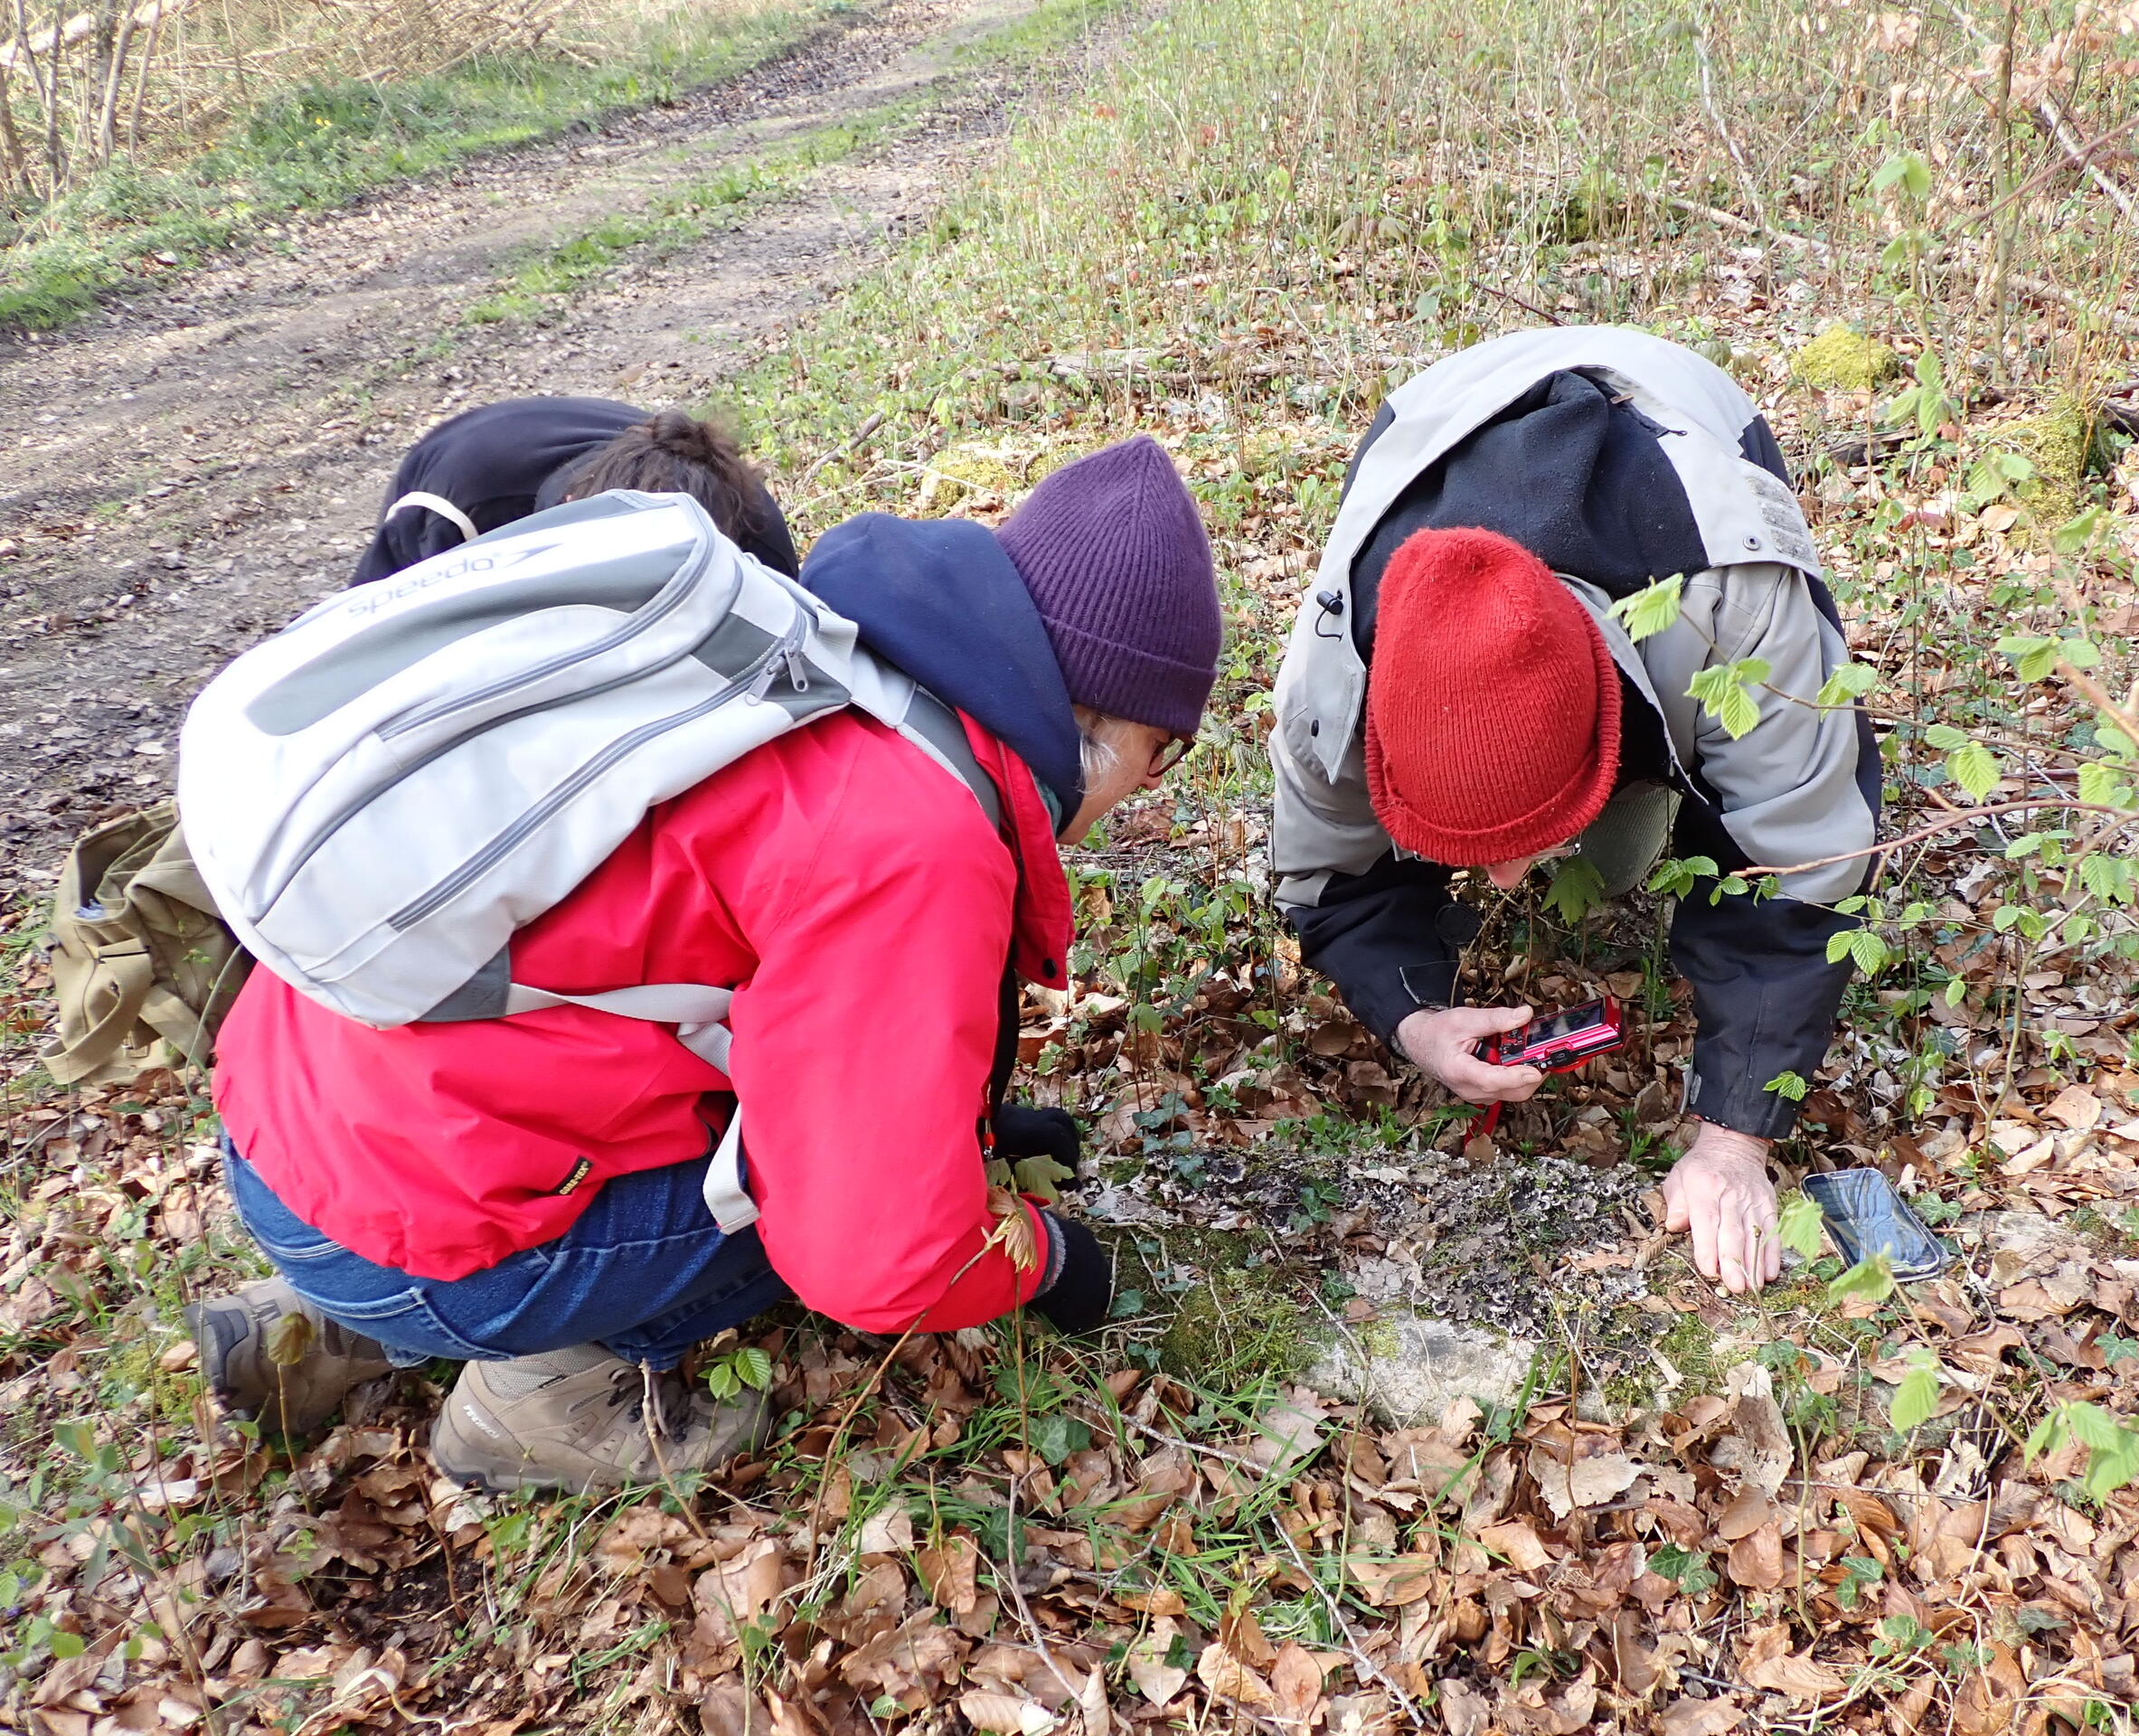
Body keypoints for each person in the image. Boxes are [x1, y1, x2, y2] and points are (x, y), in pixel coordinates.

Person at [189, 433, 1220, 1490]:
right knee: (803, 1202)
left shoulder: (820, 654)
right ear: (1097, 718)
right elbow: (877, 1252)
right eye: (1163, 752)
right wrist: (1039, 1257)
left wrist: (968, 1126)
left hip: (299, 1128)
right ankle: (534, 1391)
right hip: (401, 1201)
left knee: (810, 1152)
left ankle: (322, 1326)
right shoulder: (913, 837)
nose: (1150, 786)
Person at [1268, 326, 1880, 1295]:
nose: (1506, 881)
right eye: (1475, 850)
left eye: (1527, 841)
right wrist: (1412, 1017)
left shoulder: (1737, 602)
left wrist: (1732, 1140)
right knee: (1582, 864)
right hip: (1438, 416)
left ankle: (1624, 813)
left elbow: (1802, 863)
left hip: (1677, 428)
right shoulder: (1332, 678)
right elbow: (1328, 878)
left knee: (1626, 861)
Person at [347, 397, 800, 585]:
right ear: (568, 506)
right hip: (473, 468)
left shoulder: (753, 533)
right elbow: (365, 632)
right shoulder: (454, 511)